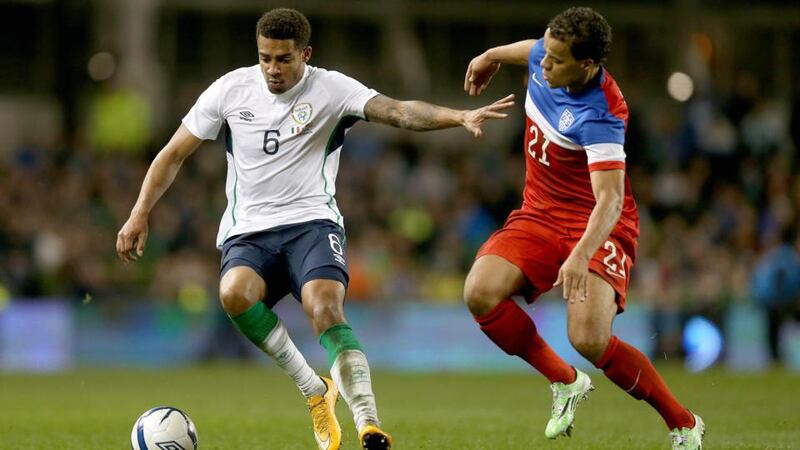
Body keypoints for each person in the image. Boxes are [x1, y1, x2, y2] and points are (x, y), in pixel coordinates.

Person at [116, 8, 513, 450]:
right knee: (233, 294)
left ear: (305, 53)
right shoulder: (231, 89)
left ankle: (368, 422)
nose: (273, 69)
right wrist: (139, 212)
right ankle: (314, 390)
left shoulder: (332, 88)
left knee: (325, 308)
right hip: (249, 232)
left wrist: (456, 117)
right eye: (265, 57)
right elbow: (172, 153)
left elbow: (398, 111)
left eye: (283, 59)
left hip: (312, 223)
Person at [461, 7, 704, 450]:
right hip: (539, 214)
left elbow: (609, 199)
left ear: (587, 66)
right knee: (479, 291)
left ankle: (683, 424)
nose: (543, 63)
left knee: (588, 338)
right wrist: (489, 55)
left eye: (556, 59)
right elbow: (528, 50)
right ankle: (565, 382)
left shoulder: (603, 114)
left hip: (597, 224)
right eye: (545, 53)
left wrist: (578, 255)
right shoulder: (545, 56)